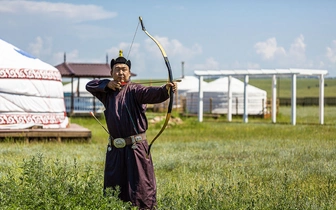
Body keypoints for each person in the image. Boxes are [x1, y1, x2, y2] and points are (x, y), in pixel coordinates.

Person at [86, 50, 177, 209]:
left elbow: (152, 93)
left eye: (124, 69)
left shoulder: (136, 90)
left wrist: (166, 89)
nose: (121, 72)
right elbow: (90, 85)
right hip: (115, 148)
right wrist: (107, 84)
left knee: (140, 187)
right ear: (111, 73)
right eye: (117, 69)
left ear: (129, 73)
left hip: (136, 148)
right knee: (114, 186)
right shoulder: (107, 92)